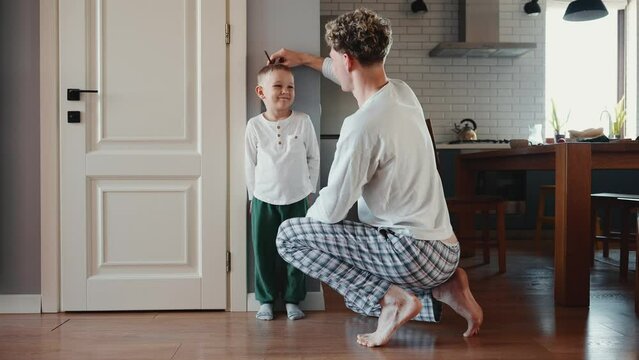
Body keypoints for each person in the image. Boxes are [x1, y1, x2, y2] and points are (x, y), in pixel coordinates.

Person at [271, 8, 483, 347]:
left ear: (347, 59)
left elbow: (332, 211)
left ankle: (397, 301)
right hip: (446, 251)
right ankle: (445, 286)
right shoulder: (402, 92)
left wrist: (311, 228)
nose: (331, 62)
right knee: (359, 298)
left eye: (332, 57)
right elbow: (343, 72)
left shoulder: (361, 126)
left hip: (412, 252)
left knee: (289, 236)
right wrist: (307, 60)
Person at [245, 63, 320, 321]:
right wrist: (251, 196)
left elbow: (314, 158)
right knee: (263, 251)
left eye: (290, 86)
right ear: (261, 91)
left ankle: (292, 299)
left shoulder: (303, 122)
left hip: (297, 198)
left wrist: (310, 190)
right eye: (278, 85)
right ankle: (265, 299)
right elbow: (249, 164)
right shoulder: (254, 126)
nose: (285, 91)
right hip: (263, 199)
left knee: (296, 251)